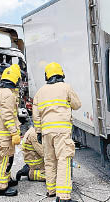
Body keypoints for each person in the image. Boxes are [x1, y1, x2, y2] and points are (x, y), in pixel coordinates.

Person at [33, 62, 81, 202]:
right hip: (61, 131)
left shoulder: (40, 91)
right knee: (63, 160)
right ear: (61, 74)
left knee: (49, 160)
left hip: (46, 132)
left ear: (47, 76)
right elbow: (77, 105)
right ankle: (64, 196)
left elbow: (36, 115)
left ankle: (52, 190)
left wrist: (38, 131)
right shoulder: (66, 87)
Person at [0, 67, 21, 197]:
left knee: (8, 158)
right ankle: (1, 188)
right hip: (5, 135)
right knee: (4, 160)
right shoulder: (8, 94)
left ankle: (5, 180)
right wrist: (14, 132)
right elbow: (7, 115)